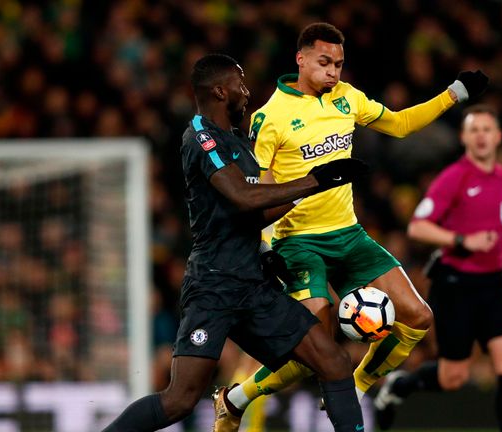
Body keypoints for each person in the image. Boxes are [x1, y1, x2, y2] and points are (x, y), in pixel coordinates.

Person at [214, 22, 489, 431]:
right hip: (299, 243)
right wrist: (267, 244)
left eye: (339, 64)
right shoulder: (270, 118)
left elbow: (399, 124)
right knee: (317, 352)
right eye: (325, 62)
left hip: (349, 234)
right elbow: (259, 192)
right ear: (301, 59)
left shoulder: (347, 98)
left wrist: (454, 94)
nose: (333, 72)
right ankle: (236, 398)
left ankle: (356, 386)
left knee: (417, 316)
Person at [101, 53, 370, 432]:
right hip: (213, 285)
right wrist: (316, 180)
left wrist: (301, 196)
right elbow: (241, 196)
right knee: (179, 400)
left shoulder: (239, 142)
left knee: (334, 362)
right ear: (220, 90)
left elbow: (256, 212)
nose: (247, 93)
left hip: (253, 285)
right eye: (241, 85)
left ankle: (241, 402)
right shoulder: (200, 134)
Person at [373, 104, 502, 432]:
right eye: (474, 130)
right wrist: (463, 240)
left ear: (498, 137)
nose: (480, 136)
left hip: (493, 284)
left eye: (487, 130)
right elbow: (418, 227)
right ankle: (399, 386)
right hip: (455, 284)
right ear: (463, 137)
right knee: (453, 377)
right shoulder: (453, 178)